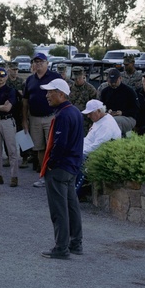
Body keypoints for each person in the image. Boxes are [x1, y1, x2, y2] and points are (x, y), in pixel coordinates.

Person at [39, 78, 84, 260]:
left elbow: (60, 144)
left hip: (60, 168)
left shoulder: (63, 115)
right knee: (71, 206)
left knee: (59, 209)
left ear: (61, 94)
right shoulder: (74, 112)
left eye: (51, 92)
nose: (47, 95)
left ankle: (61, 248)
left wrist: (50, 164)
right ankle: (76, 243)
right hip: (71, 167)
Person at [23, 53, 62, 187]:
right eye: (36, 62)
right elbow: (25, 101)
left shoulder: (55, 77)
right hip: (34, 119)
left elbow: (63, 95)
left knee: (52, 147)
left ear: (47, 63)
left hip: (51, 117)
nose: (38, 64)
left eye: (41, 62)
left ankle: (54, 176)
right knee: (39, 148)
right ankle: (43, 176)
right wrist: (24, 120)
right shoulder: (29, 80)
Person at [99, 67, 139, 135]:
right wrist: (107, 111)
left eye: (115, 81)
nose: (113, 84)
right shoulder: (105, 92)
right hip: (109, 116)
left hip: (128, 117)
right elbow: (102, 107)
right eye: (111, 82)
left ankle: (116, 141)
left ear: (120, 78)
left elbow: (136, 109)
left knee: (115, 121)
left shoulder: (129, 91)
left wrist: (122, 113)